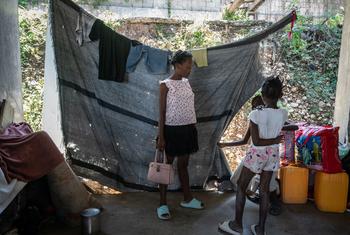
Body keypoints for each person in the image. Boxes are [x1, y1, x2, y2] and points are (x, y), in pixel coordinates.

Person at [218, 76, 289, 235]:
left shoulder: (256, 114)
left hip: (258, 154)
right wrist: (275, 140)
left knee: (242, 186)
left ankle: (237, 225)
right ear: (280, 95)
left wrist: (274, 139)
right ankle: (260, 229)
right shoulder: (283, 114)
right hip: (273, 154)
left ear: (262, 95)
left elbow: (256, 142)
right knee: (264, 191)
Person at [156, 50, 203, 220]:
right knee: (166, 168)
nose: (190, 69)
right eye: (188, 65)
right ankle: (162, 203)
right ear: (177, 65)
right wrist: (161, 137)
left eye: (191, 65)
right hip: (171, 130)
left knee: (183, 164)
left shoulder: (186, 82)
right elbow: (161, 112)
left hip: (188, 129)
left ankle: (188, 198)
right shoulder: (165, 85)